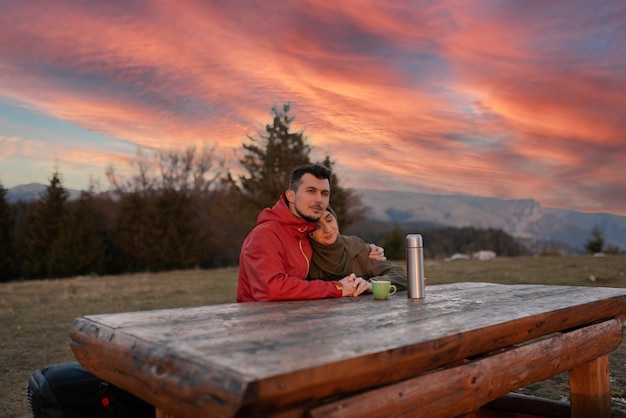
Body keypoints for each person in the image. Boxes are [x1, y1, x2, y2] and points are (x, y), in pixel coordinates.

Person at [237, 163, 382, 302]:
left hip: (298, 319)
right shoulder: (265, 235)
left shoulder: (305, 231)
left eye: (324, 193)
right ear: (291, 196)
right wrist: (337, 288)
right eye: (311, 191)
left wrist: (365, 248)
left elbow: (331, 242)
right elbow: (271, 288)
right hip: (261, 322)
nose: (319, 199)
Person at [308, 206, 407, 293]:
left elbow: (401, 275)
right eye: (317, 226)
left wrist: (372, 285)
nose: (328, 229)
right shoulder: (304, 257)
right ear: (309, 231)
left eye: (329, 220)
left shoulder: (356, 248)